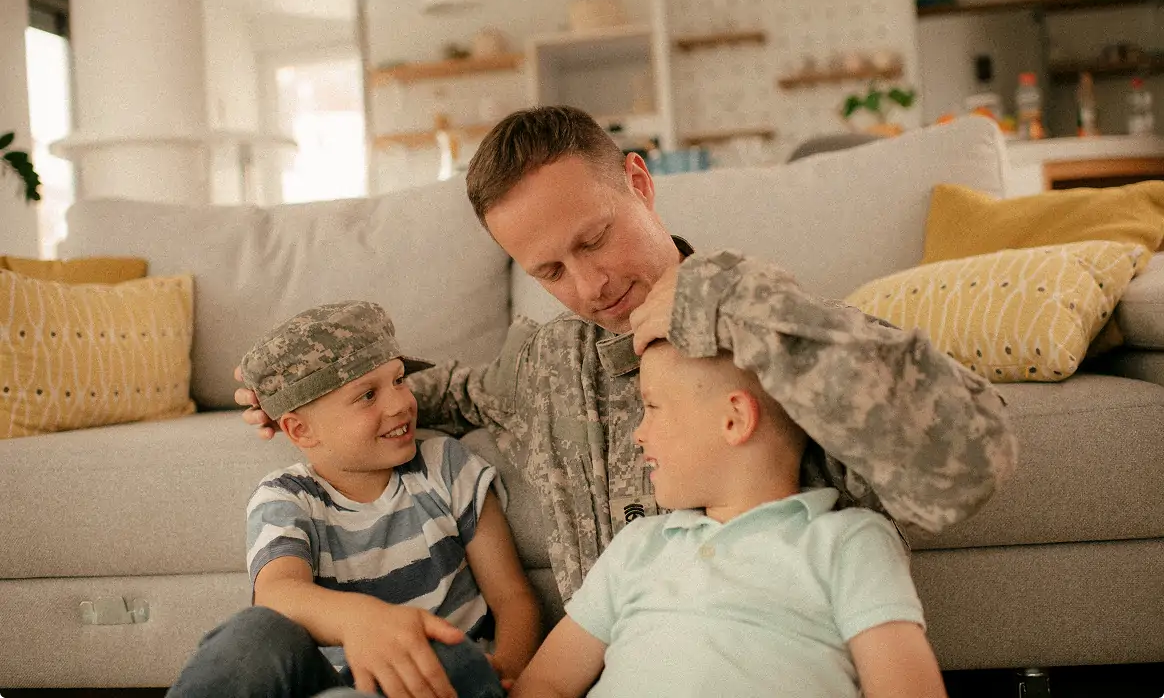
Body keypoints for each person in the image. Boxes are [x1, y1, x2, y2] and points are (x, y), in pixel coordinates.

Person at [237, 106, 1017, 608]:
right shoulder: (544, 368)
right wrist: (313, 395)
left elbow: (971, 461)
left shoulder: (770, 329)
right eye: (549, 272)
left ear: (639, 184)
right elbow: (434, 393)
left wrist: (723, 304)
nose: (589, 285)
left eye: (594, 238)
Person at [509, 340, 947, 698]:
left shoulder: (848, 540)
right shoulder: (638, 545)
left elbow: (905, 687)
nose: (638, 432)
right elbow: (548, 681)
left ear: (734, 419)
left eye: (653, 408)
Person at [174, 301, 540, 698]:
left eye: (399, 380)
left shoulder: (446, 465)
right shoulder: (286, 497)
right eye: (368, 395)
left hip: (442, 678)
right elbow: (278, 593)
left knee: (443, 651)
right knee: (255, 630)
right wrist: (362, 621)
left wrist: (508, 671)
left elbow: (513, 598)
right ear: (301, 431)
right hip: (336, 680)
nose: (401, 403)